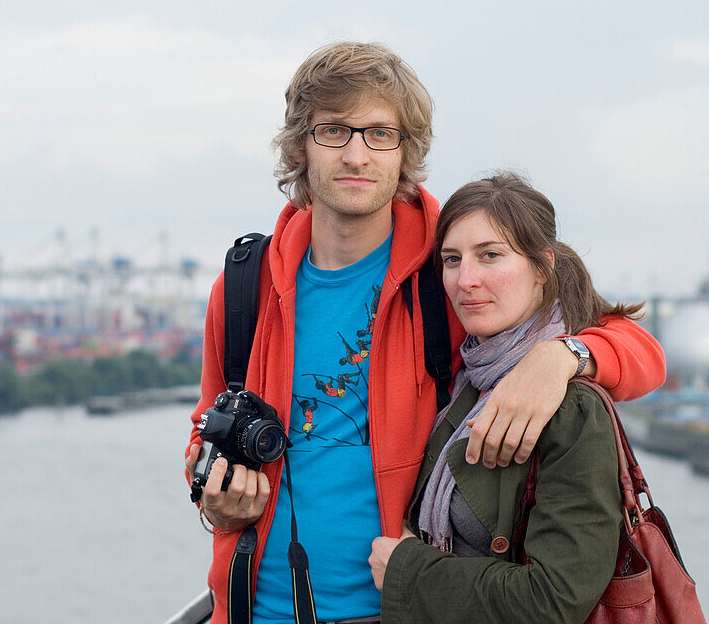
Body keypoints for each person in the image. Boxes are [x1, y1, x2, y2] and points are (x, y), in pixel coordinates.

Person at [183, 42, 664, 624]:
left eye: (380, 133)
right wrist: (218, 494)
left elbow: (641, 352)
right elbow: (206, 431)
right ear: (301, 146)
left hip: (403, 606)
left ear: (405, 151)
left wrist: (561, 358)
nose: (357, 154)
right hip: (251, 609)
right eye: (334, 130)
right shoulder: (244, 288)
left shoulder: (451, 271)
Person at [368, 171, 643, 622]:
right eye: (452, 260)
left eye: (490, 255)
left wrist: (408, 570)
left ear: (542, 268)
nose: (465, 279)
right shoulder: (469, 376)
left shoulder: (571, 409)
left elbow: (553, 601)